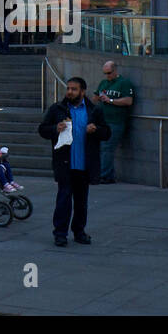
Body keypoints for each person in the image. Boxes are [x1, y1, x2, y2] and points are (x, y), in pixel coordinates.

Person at [38, 76, 110, 247]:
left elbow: (107, 133)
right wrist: (55, 128)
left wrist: (96, 129)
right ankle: (60, 233)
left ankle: (79, 232)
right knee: (63, 199)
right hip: (65, 163)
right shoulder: (58, 109)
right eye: (68, 88)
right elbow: (42, 129)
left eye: (74, 89)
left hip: (85, 164)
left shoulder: (93, 110)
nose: (70, 92)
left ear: (82, 91)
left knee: (81, 202)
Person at [93, 59, 135, 184]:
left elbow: (128, 101)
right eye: (105, 73)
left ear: (115, 70)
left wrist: (110, 100)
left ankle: (105, 175)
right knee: (103, 148)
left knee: (107, 147)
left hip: (116, 121)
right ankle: (107, 174)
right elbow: (94, 98)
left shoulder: (124, 83)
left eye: (109, 73)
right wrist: (98, 98)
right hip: (103, 120)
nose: (107, 76)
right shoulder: (103, 83)